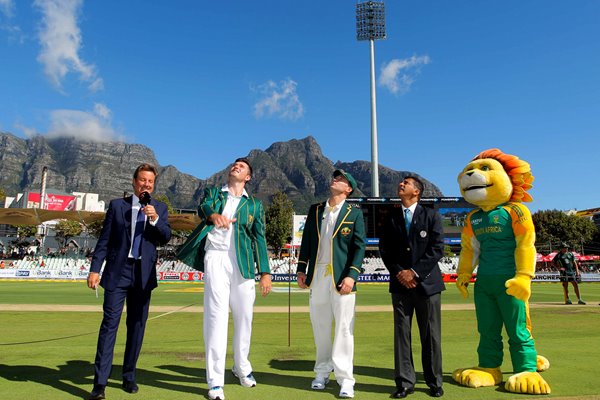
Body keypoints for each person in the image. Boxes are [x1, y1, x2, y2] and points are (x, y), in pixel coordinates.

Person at [176, 157, 272, 400]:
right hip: (216, 258)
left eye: (241, 167)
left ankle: (242, 367)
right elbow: (204, 207)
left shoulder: (254, 206)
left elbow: (259, 238)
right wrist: (214, 216)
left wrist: (265, 272)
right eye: (234, 165)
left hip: (243, 263)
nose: (235, 167)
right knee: (216, 318)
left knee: (244, 318)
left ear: (248, 177)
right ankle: (215, 381)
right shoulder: (214, 193)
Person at [87, 163, 171, 400]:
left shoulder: (160, 208)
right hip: (117, 272)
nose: (146, 185)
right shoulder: (117, 206)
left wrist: (154, 219)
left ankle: (128, 375)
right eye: (143, 180)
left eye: (151, 182)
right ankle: (100, 384)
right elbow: (104, 240)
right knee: (109, 326)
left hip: (143, 276)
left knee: (136, 327)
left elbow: (165, 237)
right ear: (134, 182)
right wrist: (95, 269)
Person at [296, 169, 366, 399]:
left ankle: (346, 379)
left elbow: (359, 246)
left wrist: (351, 275)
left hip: (342, 277)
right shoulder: (315, 209)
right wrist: (301, 269)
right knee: (321, 326)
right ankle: (322, 373)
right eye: (335, 177)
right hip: (318, 276)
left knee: (345, 329)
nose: (335, 180)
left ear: (348, 189)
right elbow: (306, 241)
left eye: (342, 179)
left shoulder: (354, 213)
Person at [378, 176, 445, 398]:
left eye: (406, 183)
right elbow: (385, 250)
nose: (400, 184)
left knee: (431, 335)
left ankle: (434, 381)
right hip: (400, 286)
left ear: (416, 192)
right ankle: (405, 383)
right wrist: (401, 273)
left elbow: (436, 249)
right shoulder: (391, 218)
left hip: (427, 285)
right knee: (401, 335)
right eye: (400, 182)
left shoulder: (431, 215)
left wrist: (414, 272)